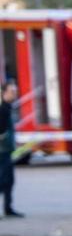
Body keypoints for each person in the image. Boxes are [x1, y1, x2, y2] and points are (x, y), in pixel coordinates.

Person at [0, 82, 21, 218]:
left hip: (7, 149)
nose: (14, 94)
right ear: (3, 93)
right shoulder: (3, 109)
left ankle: (8, 208)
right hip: (2, 151)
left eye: (15, 91)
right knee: (3, 180)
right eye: (11, 91)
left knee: (9, 181)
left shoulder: (8, 107)